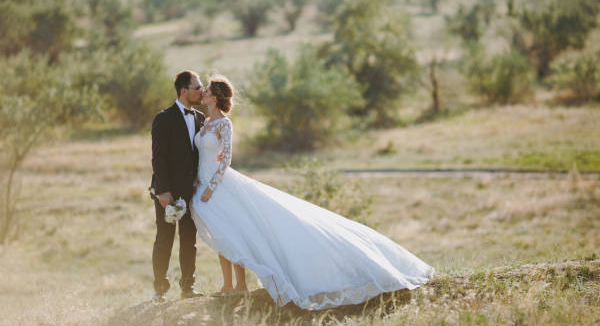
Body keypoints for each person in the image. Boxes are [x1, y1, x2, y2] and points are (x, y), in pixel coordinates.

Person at [191, 75, 434, 310]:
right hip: (202, 183)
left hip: (219, 185)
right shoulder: (205, 122)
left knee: (234, 232)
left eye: (207, 90)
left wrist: (211, 187)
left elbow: (227, 159)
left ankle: (239, 285)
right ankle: (229, 284)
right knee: (224, 234)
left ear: (216, 97)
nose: (203, 93)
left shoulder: (223, 123)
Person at [149, 70, 206, 302]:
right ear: (184, 91)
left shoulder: (201, 118)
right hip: (167, 191)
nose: (202, 91)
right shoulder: (163, 118)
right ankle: (160, 289)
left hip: (191, 191)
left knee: (189, 239)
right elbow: (158, 158)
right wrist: (163, 191)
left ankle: (188, 288)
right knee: (165, 239)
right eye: (198, 87)